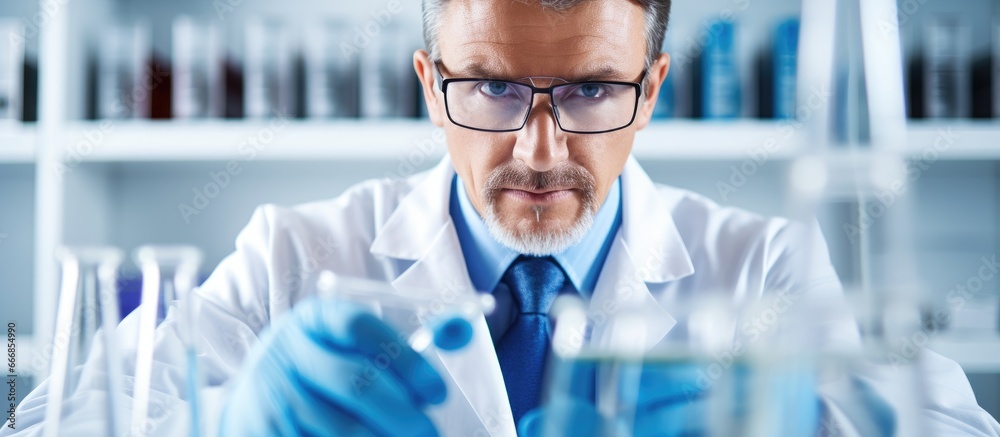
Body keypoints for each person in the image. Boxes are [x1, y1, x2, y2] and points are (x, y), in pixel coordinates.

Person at [5, 1, 1000, 436]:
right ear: (427, 83)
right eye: (486, 88)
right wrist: (219, 423)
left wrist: (808, 419)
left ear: (651, 89)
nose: (536, 148)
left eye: (590, 90)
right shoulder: (293, 256)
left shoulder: (764, 267)